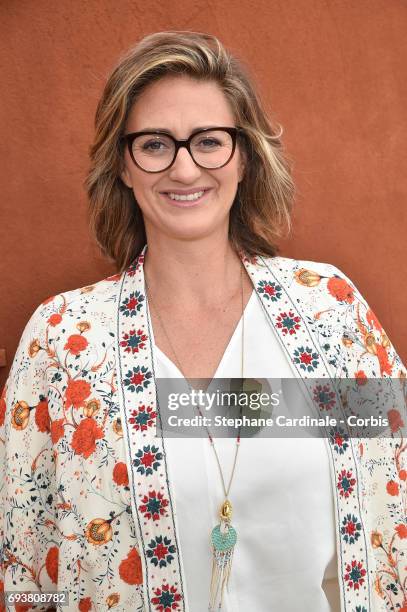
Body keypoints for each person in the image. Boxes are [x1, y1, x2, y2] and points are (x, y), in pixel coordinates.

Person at [1, 31, 406, 612]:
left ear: (244, 156)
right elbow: (23, 559)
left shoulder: (331, 314)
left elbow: (394, 509)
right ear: (122, 164)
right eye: (156, 144)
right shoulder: (62, 341)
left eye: (210, 141)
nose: (185, 169)